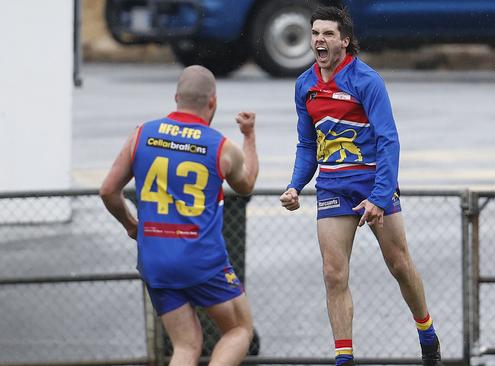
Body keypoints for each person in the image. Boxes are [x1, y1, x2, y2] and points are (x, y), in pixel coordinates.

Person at [279, 6, 442, 366]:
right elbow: (308, 144)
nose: (319, 40)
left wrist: (381, 197)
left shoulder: (366, 80)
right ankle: (344, 359)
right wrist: (294, 185)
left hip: (373, 185)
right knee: (333, 273)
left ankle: (427, 332)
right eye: (315, 33)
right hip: (333, 187)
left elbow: (389, 141)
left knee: (399, 264)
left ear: (345, 41)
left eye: (328, 34)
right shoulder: (304, 85)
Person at [100, 65, 259, 366]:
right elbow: (247, 183)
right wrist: (249, 135)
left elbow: (108, 191)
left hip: (155, 258)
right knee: (238, 330)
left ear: (176, 97)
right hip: (201, 258)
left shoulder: (142, 135)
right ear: (212, 102)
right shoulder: (221, 146)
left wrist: (130, 224)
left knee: (186, 346)